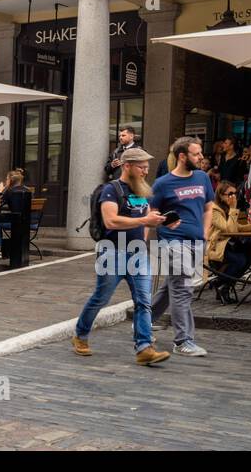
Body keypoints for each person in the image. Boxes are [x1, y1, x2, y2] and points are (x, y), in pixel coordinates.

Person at [71, 148, 169, 365]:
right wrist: (144, 222)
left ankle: (144, 348)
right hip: (112, 251)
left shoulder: (142, 190)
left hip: (137, 252)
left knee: (144, 301)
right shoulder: (111, 190)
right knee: (101, 298)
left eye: (147, 167)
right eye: (141, 167)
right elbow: (111, 221)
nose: (145, 171)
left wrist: (145, 235)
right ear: (127, 166)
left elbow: (145, 217)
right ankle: (80, 334)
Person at [150, 136, 216, 357]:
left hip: (196, 241)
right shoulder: (162, 184)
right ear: (182, 156)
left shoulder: (202, 178)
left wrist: (205, 233)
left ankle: (144, 321)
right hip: (172, 241)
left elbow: (209, 208)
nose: (201, 157)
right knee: (183, 289)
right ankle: (183, 341)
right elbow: (151, 214)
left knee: (172, 286)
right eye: (196, 154)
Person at [207, 181, 251, 304]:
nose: (233, 196)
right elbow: (230, 230)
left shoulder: (226, 208)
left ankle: (220, 283)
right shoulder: (214, 210)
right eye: (230, 194)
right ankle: (223, 286)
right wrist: (233, 208)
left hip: (227, 246)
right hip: (216, 248)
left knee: (249, 256)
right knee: (240, 260)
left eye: (235, 193)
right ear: (221, 195)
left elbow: (236, 227)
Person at [0, 169, 30, 258]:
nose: (5, 181)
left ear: (10, 181)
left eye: (6, 179)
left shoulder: (10, 191)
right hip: (29, 222)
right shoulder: (28, 190)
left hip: (16, 222)